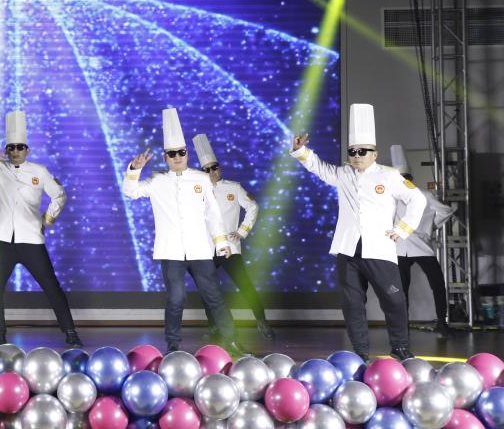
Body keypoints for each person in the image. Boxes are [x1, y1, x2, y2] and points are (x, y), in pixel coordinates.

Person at [290, 104, 426, 360]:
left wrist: (403, 229)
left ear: (375, 154)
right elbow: (319, 167)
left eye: (362, 151)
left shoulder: (389, 176)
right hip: (348, 249)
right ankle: (360, 352)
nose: (356, 155)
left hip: (379, 249)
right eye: (352, 151)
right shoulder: (343, 174)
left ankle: (399, 347)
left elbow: (417, 199)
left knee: (394, 301)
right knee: (352, 305)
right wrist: (301, 151)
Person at [122, 108, 248, 355]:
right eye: (172, 153)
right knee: (176, 299)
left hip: (200, 249)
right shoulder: (157, 181)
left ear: (187, 154)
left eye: (181, 152)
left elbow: (213, 213)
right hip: (171, 252)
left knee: (214, 296)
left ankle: (232, 340)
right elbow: (131, 192)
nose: (177, 157)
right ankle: (172, 344)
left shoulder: (201, 179)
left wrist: (221, 242)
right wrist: (134, 170)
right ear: (165, 157)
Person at [0, 110, 82, 349]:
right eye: (11, 148)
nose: (15, 151)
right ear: (6, 150)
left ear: (27, 150)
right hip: (2, 240)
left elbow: (59, 194)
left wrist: (48, 219)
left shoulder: (39, 171)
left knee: (52, 288)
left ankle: (71, 333)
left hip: (31, 240)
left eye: (20, 147)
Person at [191, 133, 274, 340]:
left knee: (245, 286)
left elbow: (253, 207)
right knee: (207, 290)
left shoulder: (233, 187)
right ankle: (214, 327)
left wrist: (242, 231)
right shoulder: (196, 191)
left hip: (229, 247)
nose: (212, 172)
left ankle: (262, 322)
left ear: (219, 167)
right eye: (207, 169)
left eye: (214, 167)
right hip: (206, 249)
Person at [390, 145, 454, 337]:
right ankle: (439, 323)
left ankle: (433, 323)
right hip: (408, 247)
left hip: (410, 247)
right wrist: (430, 226)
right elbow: (446, 211)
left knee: (409, 289)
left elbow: (446, 211)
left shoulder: (400, 198)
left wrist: (429, 227)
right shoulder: (418, 195)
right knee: (433, 285)